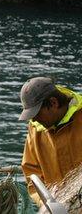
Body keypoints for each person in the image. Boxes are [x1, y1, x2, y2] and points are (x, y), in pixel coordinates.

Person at [19, 76, 82, 206]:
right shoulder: (35, 127)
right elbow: (32, 174)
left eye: (36, 114)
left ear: (53, 103)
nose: (34, 120)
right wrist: (47, 204)